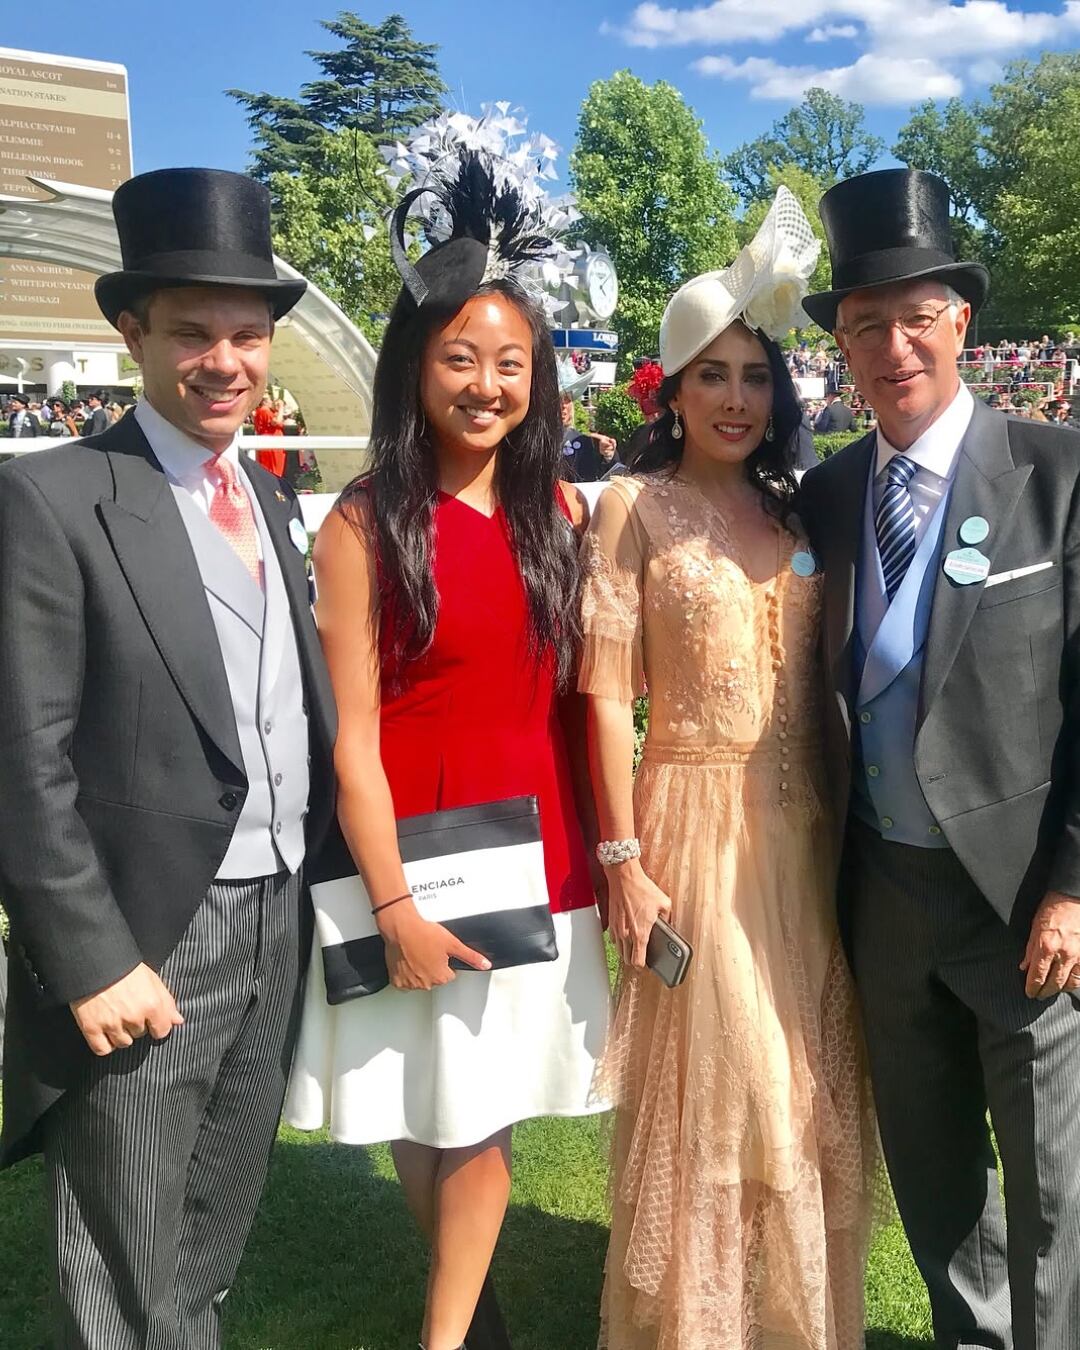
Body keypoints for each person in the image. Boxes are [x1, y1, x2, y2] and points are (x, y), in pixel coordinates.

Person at [283, 117, 611, 1350]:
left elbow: (582, 697)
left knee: (476, 1118)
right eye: (461, 357)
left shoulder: (560, 510)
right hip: (415, 859)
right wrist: (390, 905)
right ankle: (460, 1334)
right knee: (438, 1119)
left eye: (511, 361)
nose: (487, 383)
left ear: (541, 377)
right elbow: (351, 740)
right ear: (415, 366)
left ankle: (458, 1328)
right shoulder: (364, 528)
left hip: (542, 859)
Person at [0, 167, 337, 1350]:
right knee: (119, 1252)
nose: (225, 361)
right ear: (130, 329)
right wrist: (91, 960)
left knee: (209, 1233)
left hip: (276, 914)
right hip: (146, 932)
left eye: (247, 335)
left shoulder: (272, 495)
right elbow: (19, 757)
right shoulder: (51, 498)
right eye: (192, 332)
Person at [583, 187, 876, 1350]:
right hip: (692, 832)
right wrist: (623, 857)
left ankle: (793, 1324)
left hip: (811, 839)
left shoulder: (795, 509)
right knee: (724, 1098)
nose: (738, 398)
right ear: (670, 386)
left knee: (802, 1097)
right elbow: (604, 692)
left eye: (757, 376)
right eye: (713, 374)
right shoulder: (628, 509)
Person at [799, 167, 1080, 1350]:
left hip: (1023, 897)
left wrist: (1072, 880)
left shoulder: (1057, 473)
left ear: (962, 322)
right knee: (934, 1173)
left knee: (1055, 1190)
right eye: (867, 325)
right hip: (881, 897)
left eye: (917, 317)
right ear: (845, 349)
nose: (893, 345)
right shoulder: (825, 492)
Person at [252, 392, 287, 476]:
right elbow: (276, 422)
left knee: (268, 470)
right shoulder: (265, 410)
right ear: (265, 401)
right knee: (273, 470)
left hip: (267, 443)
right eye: (270, 400)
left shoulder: (261, 411)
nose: (272, 402)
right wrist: (281, 408)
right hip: (272, 444)